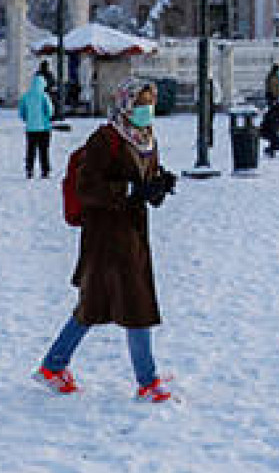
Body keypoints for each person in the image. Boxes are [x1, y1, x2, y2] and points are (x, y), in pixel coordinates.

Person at [34, 79, 178, 402]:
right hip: (106, 237)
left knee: (92, 306)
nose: (146, 109)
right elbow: (88, 187)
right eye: (141, 103)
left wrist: (158, 184)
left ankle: (53, 365)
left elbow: (143, 177)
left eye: (150, 102)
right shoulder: (105, 139)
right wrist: (129, 191)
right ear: (125, 104)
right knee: (135, 303)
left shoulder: (145, 137)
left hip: (132, 234)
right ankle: (147, 380)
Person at [18, 73, 54, 179]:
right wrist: (47, 118)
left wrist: (27, 119)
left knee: (30, 150)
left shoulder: (26, 96)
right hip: (44, 128)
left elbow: (22, 112)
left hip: (30, 128)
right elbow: (50, 110)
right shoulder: (44, 96)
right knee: (44, 150)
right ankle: (45, 171)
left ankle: (29, 169)